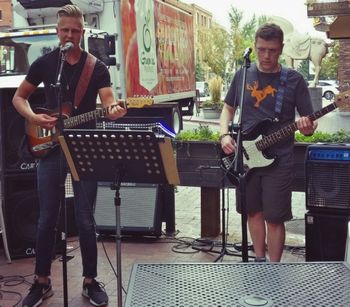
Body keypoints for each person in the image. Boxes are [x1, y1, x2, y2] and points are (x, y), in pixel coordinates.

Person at [13, 5, 127, 307]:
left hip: (83, 148)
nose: (70, 35)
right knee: (46, 218)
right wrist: (35, 119)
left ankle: (90, 280)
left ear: (83, 32)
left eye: (75, 30)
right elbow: (19, 97)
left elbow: (108, 103)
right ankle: (41, 282)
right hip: (50, 149)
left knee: (86, 219)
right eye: (65, 29)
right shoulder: (46, 64)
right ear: (57, 30)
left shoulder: (96, 67)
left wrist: (115, 111)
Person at [219, 23, 317, 262]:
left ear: (281, 49)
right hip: (247, 156)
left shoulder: (294, 80)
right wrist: (224, 135)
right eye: (261, 49)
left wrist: (307, 128)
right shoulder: (243, 74)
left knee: (274, 217)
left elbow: (309, 124)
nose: (266, 55)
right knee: (253, 212)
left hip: (279, 160)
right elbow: (227, 109)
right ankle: (259, 262)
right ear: (255, 46)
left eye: (272, 50)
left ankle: (274, 268)